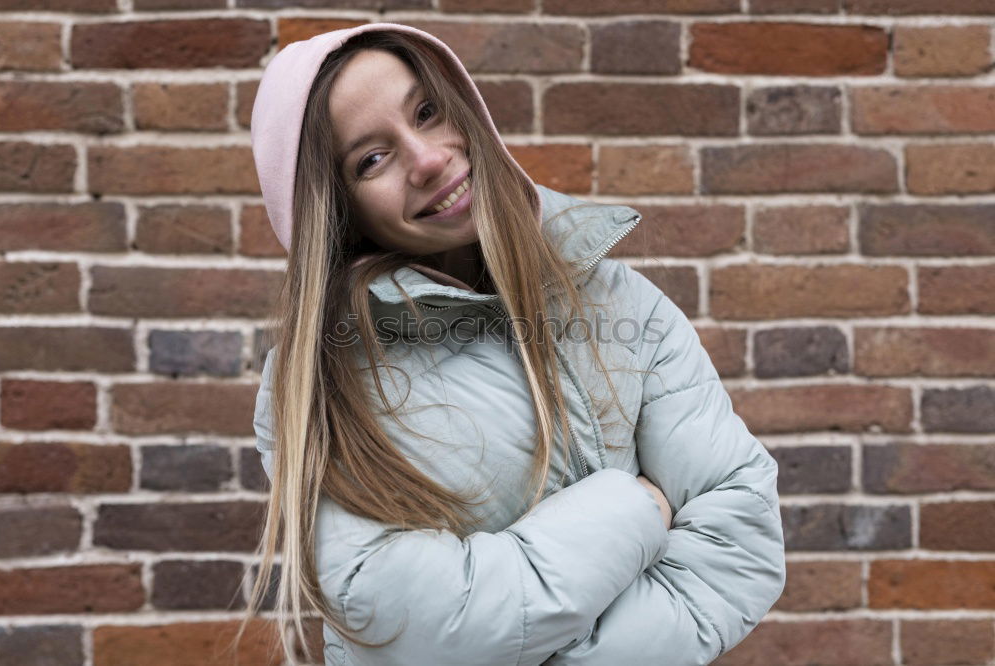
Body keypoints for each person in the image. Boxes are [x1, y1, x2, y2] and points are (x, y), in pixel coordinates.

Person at [238, 22, 785, 666]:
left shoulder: (617, 302)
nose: (430, 158)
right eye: (373, 159)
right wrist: (638, 509)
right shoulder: (321, 380)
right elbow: (410, 627)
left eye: (428, 111)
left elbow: (740, 539)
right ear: (338, 210)